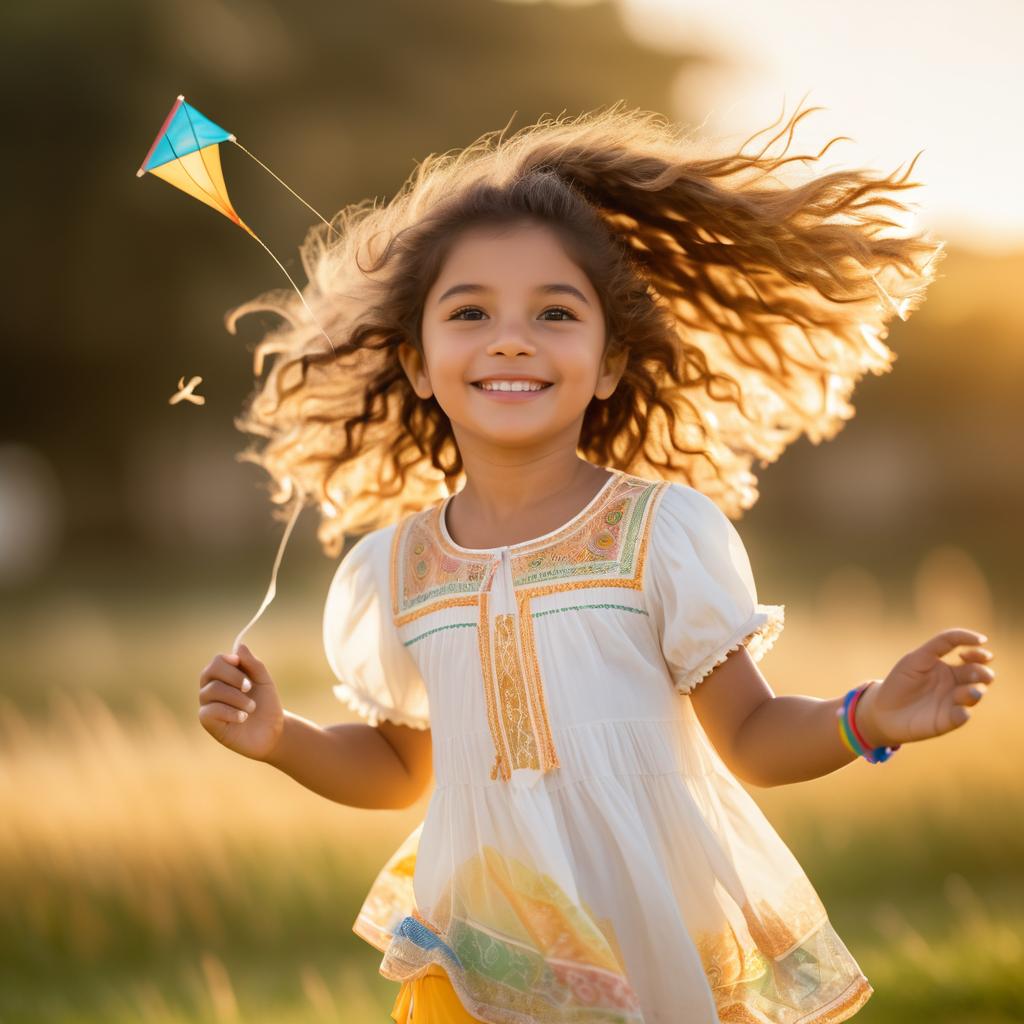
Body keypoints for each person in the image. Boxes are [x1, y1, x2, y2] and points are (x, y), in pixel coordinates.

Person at [196, 102, 995, 1023]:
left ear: (610, 363)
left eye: (554, 312)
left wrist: (867, 716)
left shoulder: (660, 534)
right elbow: (401, 769)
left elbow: (755, 740)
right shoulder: (398, 568)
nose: (510, 338)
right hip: (481, 937)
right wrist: (281, 739)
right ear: (418, 364)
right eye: (470, 312)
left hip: (648, 932)